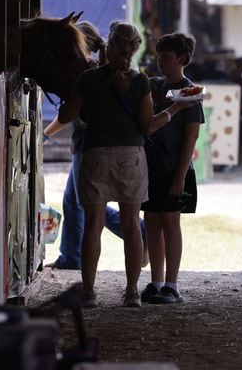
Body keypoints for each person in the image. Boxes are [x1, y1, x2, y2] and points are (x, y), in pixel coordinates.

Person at [44, 21, 190, 308]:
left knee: (93, 227)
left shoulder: (88, 80)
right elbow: (148, 126)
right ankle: (132, 291)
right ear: (134, 50)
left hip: (95, 154)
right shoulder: (140, 82)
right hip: (130, 157)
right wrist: (174, 109)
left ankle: (88, 291)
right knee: (131, 226)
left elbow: (69, 113)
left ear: (109, 47)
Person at [46, 21, 147, 271]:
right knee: (76, 201)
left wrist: (45, 134)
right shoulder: (134, 78)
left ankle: (79, 266)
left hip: (89, 145)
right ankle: (73, 256)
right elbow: (146, 122)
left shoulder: (89, 75)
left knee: (87, 208)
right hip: (121, 150)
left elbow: (68, 113)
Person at [140, 33, 204, 305]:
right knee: (152, 222)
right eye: (158, 56)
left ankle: (172, 284)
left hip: (175, 168)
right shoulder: (155, 85)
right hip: (152, 167)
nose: (160, 62)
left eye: (165, 57)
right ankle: (155, 282)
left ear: (181, 59)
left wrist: (179, 177)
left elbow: (191, 137)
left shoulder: (191, 93)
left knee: (170, 223)